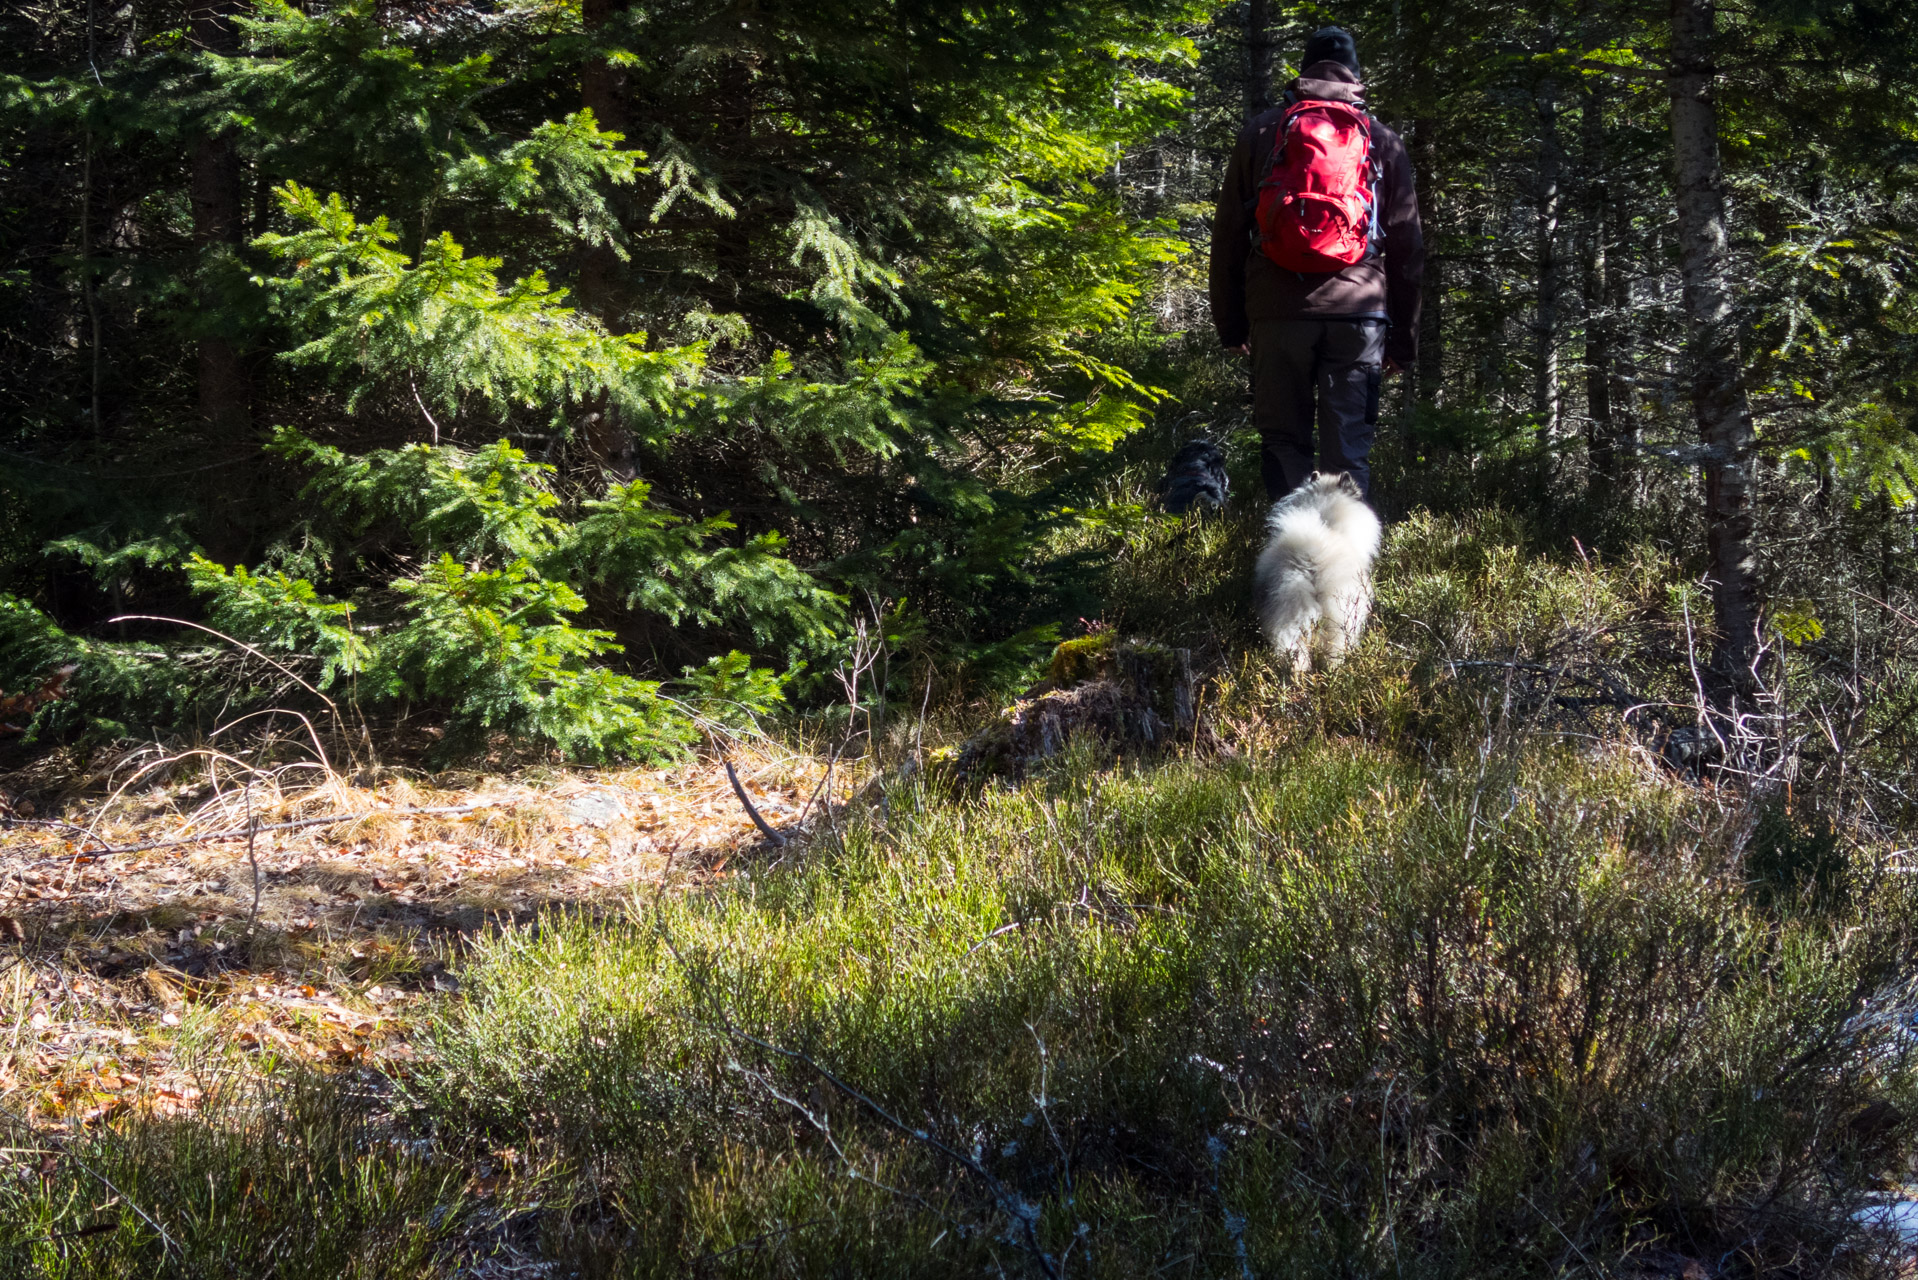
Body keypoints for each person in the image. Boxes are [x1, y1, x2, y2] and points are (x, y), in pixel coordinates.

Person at [1209, 25, 1424, 503]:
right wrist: (1402, 343)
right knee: (1348, 453)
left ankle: (1292, 566)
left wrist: (1232, 325)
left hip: (1278, 311)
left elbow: (1226, 237)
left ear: (1303, 73)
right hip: (1359, 315)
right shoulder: (1382, 140)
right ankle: (1344, 574)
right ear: (1355, 78)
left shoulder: (1263, 131)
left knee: (1285, 442)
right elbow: (1408, 248)